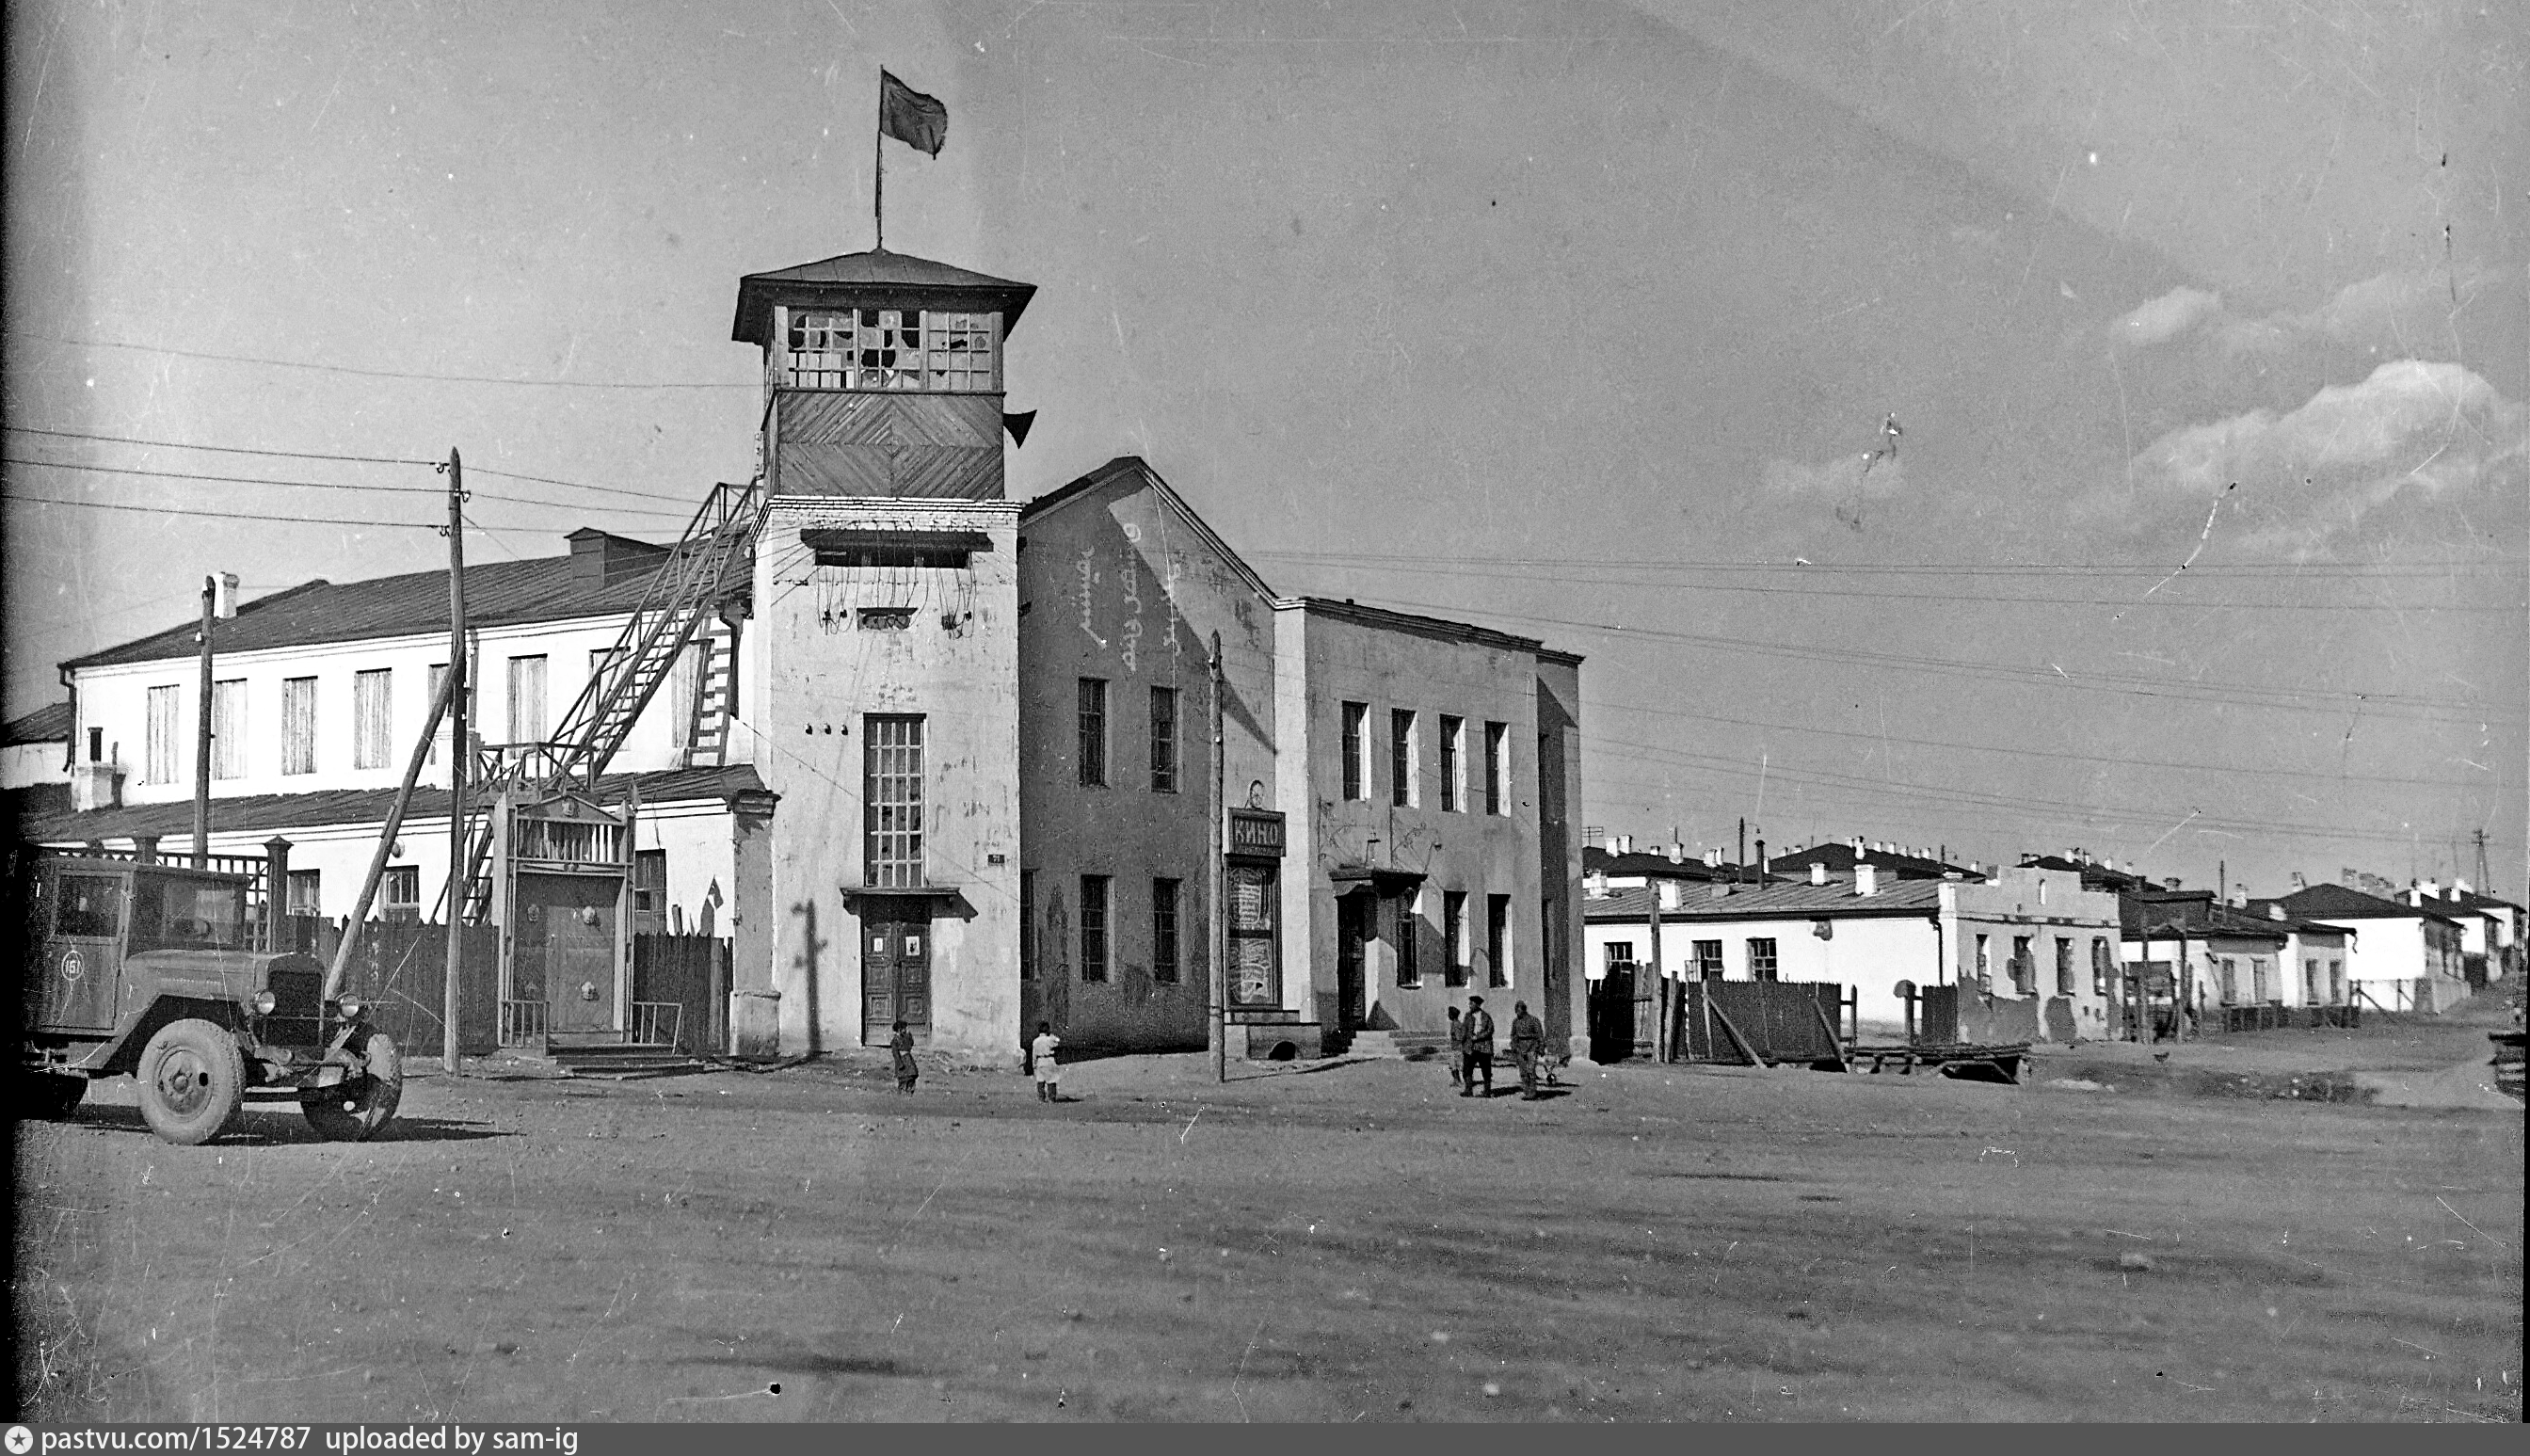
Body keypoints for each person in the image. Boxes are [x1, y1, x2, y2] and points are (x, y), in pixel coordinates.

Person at [1508, 1000, 1546, 1099]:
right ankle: (1526, 1091)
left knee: (1530, 1071)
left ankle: (1532, 1093)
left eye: (1518, 1010)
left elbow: (1540, 1035)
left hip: (1532, 1048)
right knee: (1523, 1072)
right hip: (1520, 1049)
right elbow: (1513, 1035)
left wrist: (1541, 1047)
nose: (1517, 1013)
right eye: (1516, 1011)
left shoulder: (1534, 1020)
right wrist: (1514, 1046)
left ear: (1524, 1010)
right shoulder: (1516, 1022)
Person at [1460, 996, 1495, 1098]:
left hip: (1484, 1046)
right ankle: (1468, 1090)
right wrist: (1462, 1040)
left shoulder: (1486, 1016)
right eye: (1469, 1003)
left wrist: (1479, 1037)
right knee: (1467, 1069)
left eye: (1472, 1003)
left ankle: (1487, 1092)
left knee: (1486, 1070)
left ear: (1478, 1005)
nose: (1470, 1005)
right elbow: (1464, 1029)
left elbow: (1490, 1030)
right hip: (1470, 1047)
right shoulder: (1468, 1016)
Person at [1030, 1020, 1063, 1103]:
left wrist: (1034, 1063)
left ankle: (1041, 1098)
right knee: (1051, 1080)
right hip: (1049, 1060)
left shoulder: (1035, 1041)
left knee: (1040, 1080)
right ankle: (1051, 1098)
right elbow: (1058, 1041)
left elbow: (1034, 1054)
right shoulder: (1049, 1040)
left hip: (1040, 1061)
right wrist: (1052, 1035)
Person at [889, 1019, 919, 1095]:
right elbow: (895, 1054)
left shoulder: (905, 1038)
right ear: (900, 1030)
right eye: (905, 1028)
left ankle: (910, 1091)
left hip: (909, 1060)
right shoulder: (895, 1041)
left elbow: (911, 1043)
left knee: (911, 1076)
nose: (906, 1030)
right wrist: (899, 1064)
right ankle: (902, 1092)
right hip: (902, 1061)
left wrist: (909, 1034)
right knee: (903, 1078)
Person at [1445, 1006, 1466, 1088]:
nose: (1448, 1015)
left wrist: (1455, 1042)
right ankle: (1456, 1080)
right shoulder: (1456, 1023)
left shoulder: (1455, 1024)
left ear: (1452, 1015)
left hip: (1457, 1048)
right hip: (1457, 1048)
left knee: (1455, 1065)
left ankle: (1458, 1081)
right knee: (1453, 1065)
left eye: (1449, 1014)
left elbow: (1459, 1037)